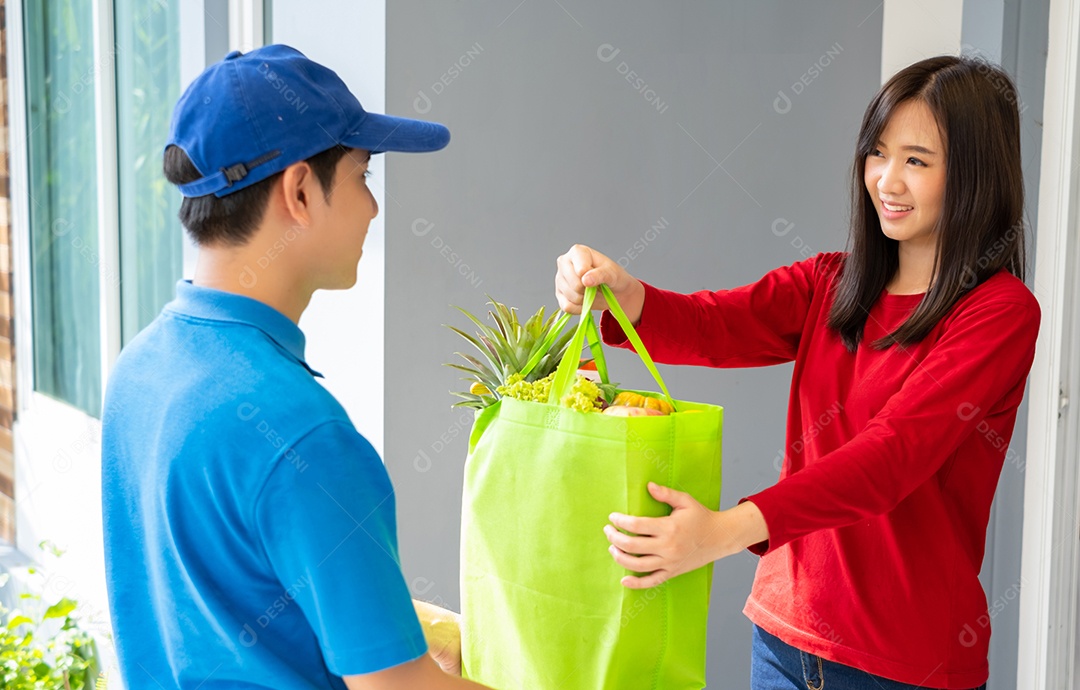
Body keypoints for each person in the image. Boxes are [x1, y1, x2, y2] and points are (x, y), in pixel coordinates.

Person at [555, 55, 1038, 690]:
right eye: (878, 154)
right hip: (785, 636)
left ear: (975, 175)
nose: (887, 180)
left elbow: (892, 456)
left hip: (905, 662)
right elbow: (712, 324)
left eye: (917, 161)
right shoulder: (831, 284)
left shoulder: (998, 314)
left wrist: (725, 531)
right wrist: (622, 290)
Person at [102, 45, 490, 689]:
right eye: (364, 175)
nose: (372, 207)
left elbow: (219, 605)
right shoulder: (301, 435)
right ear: (301, 191)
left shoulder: (138, 371)